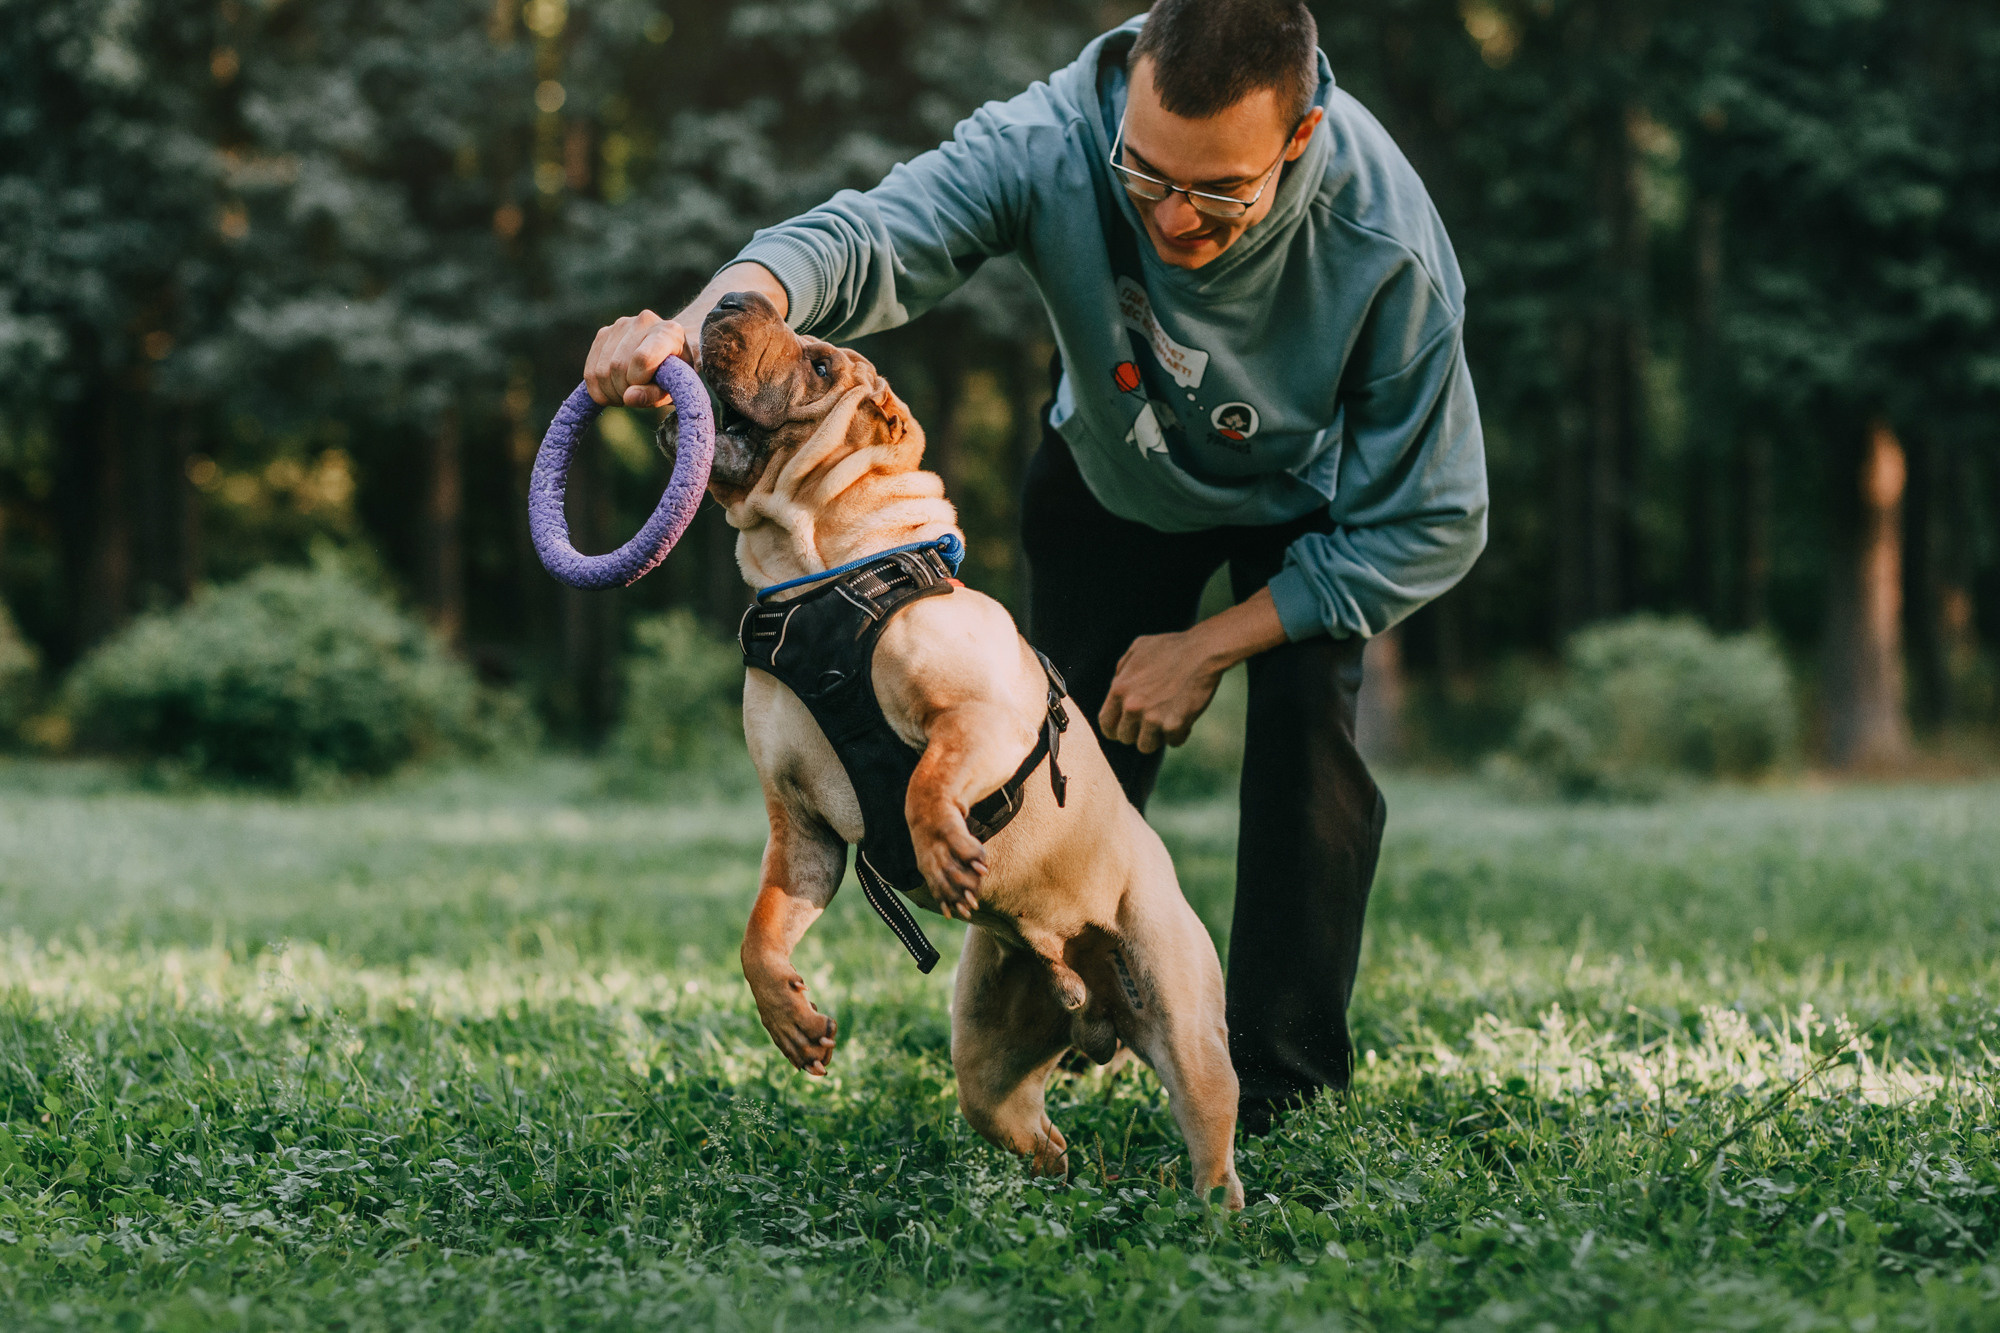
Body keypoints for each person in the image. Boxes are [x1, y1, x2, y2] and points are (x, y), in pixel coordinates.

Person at [585, 0, 1488, 1134]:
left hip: (1303, 513)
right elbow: (872, 235)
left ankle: (1280, 1100)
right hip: (1110, 482)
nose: (1171, 217)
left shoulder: (1384, 243)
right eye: (1147, 178)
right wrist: (694, 324)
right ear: (1124, 106)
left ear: (1298, 139)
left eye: (1218, 193)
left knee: (1311, 771)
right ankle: (1037, 1046)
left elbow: (1437, 518)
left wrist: (1209, 645)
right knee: (1030, 780)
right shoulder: (1057, 135)